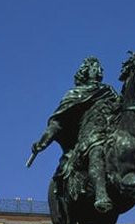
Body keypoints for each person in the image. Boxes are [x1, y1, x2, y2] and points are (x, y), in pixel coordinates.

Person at [30, 56, 119, 213]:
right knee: (96, 149)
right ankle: (100, 194)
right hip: (86, 140)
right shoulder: (75, 94)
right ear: (86, 72)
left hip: (109, 134)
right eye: (94, 68)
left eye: (100, 68)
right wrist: (42, 142)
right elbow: (57, 123)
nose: (99, 71)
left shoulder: (108, 91)